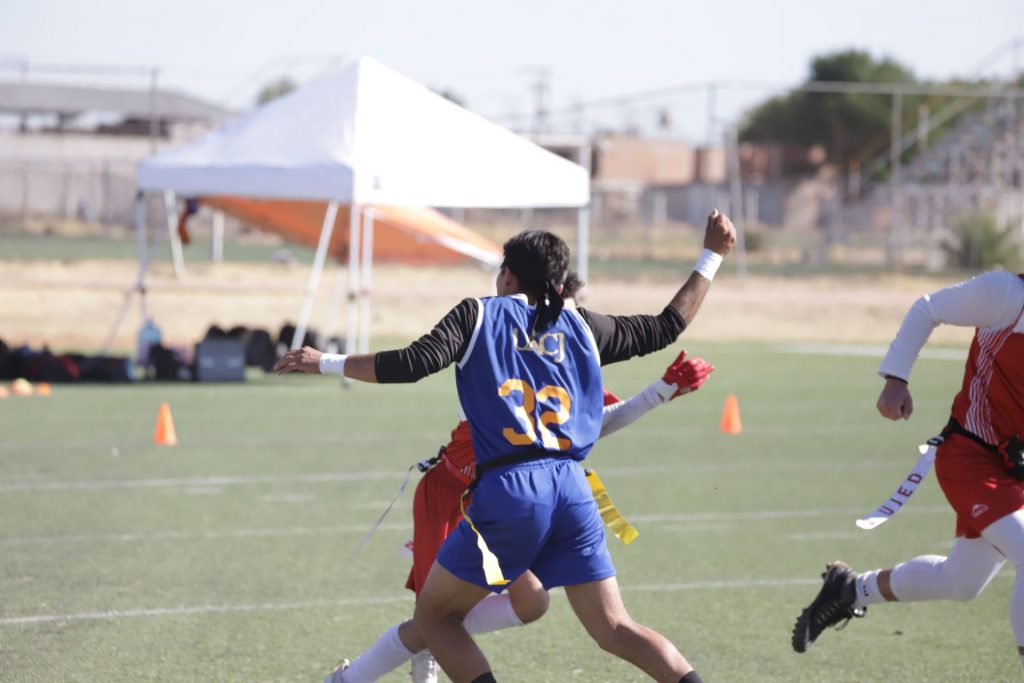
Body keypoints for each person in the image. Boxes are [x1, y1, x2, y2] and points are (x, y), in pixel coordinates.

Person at [276, 209, 736, 683]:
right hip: (573, 488)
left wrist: (324, 361)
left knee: (435, 619)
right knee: (616, 627)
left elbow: (411, 363)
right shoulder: (582, 326)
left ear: (509, 275)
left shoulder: (478, 314)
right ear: (560, 283)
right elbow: (666, 326)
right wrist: (712, 256)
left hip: (511, 489)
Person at [333, 326, 713, 683]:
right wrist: (327, 362)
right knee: (434, 618)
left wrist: (660, 391)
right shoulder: (495, 350)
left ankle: (425, 646)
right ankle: (356, 676)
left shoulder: (562, 354)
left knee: (530, 604)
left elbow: (585, 428)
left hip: (507, 502)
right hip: (453, 499)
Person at [791, 270, 1024, 671]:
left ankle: (850, 590)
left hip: (1014, 469)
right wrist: (896, 378)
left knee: (962, 582)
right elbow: (927, 308)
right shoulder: (1006, 294)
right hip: (973, 458)